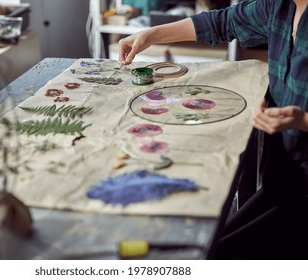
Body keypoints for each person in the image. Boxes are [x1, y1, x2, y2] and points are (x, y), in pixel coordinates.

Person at [119, 0, 308, 259]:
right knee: (209, 245)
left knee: (209, 255)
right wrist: (150, 35)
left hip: (302, 183)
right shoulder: (280, 7)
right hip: (283, 172)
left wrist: (302, 121)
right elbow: (223, 22)